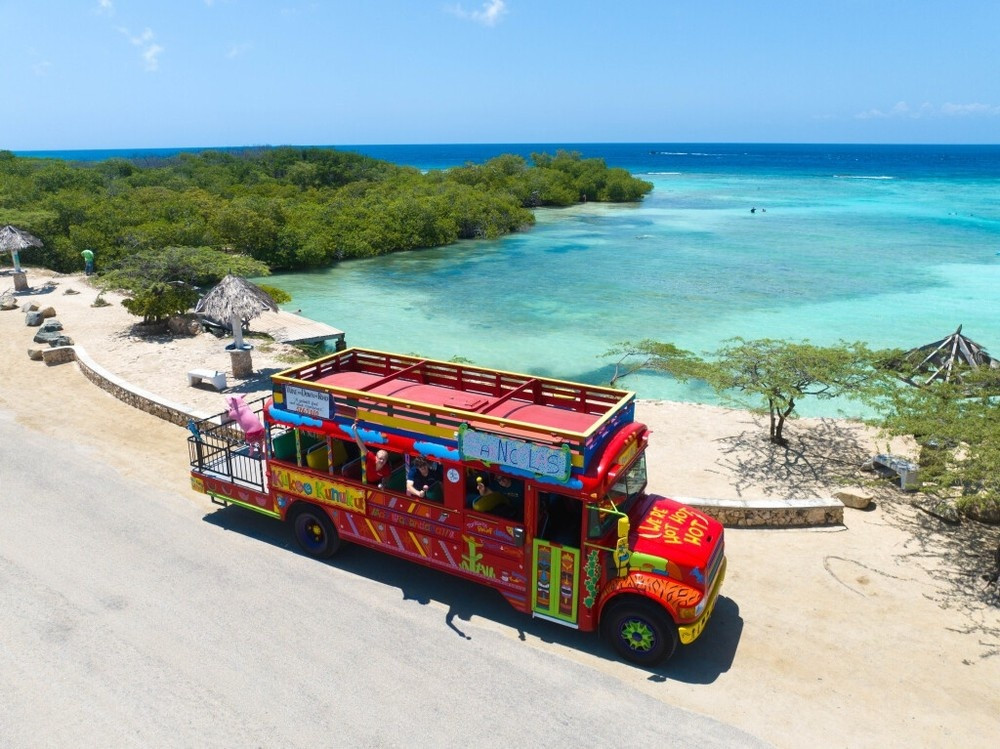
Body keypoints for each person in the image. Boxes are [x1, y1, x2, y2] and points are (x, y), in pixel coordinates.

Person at [350, 420, 392, 488]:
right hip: (364, 479)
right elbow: (361, 446)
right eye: (380, 458)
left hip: (376, 484)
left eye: (384, 459)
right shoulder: (371, 457)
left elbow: (387, 478)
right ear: (376, 457)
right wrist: (355, 432)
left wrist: (383, 484)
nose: (382, 461)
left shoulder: (386, 469)